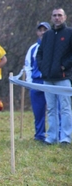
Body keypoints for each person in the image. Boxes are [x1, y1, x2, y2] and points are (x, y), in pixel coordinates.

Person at [36, 8, 72, 145]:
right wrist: (42, 66)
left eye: (59, 15)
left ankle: (65, 138)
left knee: (65, 108)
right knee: (51, 108)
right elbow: (40, 53)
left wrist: (64, 66)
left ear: (65, 17)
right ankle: (51, 137)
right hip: (48, 78)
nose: (57, 18)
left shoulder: (69, 33)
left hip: (63, 77)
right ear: (51, 18)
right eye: (54, 15)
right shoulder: (48, 34)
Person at [23, 22, 51, 142]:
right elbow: (28, 66)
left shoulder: (55, 46)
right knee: (38, 111)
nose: (43, 32)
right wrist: (30, 83)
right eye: (40, 30)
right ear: (37, 32)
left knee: (54, 110)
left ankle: (56, 135)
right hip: (36, 82)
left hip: (51, 82)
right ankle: (39, 135)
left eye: (45, 30)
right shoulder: (33, 48)